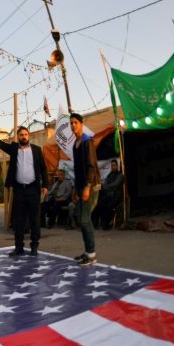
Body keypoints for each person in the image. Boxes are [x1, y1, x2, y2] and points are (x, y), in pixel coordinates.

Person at [0, 124, 48, 256]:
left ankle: (34, 246)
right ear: (18, 137)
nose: (23, 137)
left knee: (35, 219)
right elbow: (1, 145)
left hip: (33, 189)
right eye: (21, 135)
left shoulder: (37, 150)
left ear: (29, 136)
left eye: (26, 134)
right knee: (18, 219)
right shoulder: (14, 149)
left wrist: (45, 186)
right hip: (19, 189)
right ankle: (18, 247)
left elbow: (43, 168)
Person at [70, 113, 102, 266]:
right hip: (82, 186)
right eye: (71, 123)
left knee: (84, 219)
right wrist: (76, 188)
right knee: (81, 219)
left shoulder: (86, 142)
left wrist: (87, 187)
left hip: (92, 185)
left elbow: (90, 167)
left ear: (81, 124)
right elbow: (77, 169)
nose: (73, 125)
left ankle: (92, 254)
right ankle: (88, 251)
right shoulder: (75, 145)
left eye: (76, 122)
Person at [92, 159, 124, 230]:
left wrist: (108, 187)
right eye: (112, 165)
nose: (113, 167)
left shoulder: (120, 176)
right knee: (99, 205)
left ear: (117, 166)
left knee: (108, 207)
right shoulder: (109, 176)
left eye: (114, 165)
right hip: (108, 196)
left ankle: (107, 225)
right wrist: (111, 188)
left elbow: (116, 183)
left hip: (116, 197)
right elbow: (103, 186)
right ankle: (95, 223)